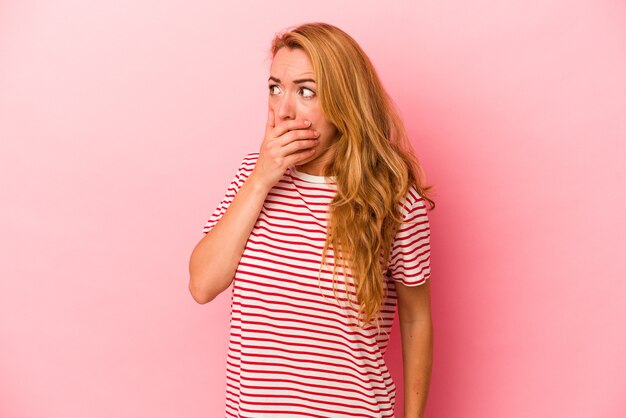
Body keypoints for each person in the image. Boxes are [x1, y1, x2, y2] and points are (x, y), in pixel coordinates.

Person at [189, 21, 435, 418]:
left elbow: (417, 317)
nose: (283, 110)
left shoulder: (394, 199)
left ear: (345, 102)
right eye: (275, 88)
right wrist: (260, 180)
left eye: (306, 91)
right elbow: (202, 285)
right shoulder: (252, 177)